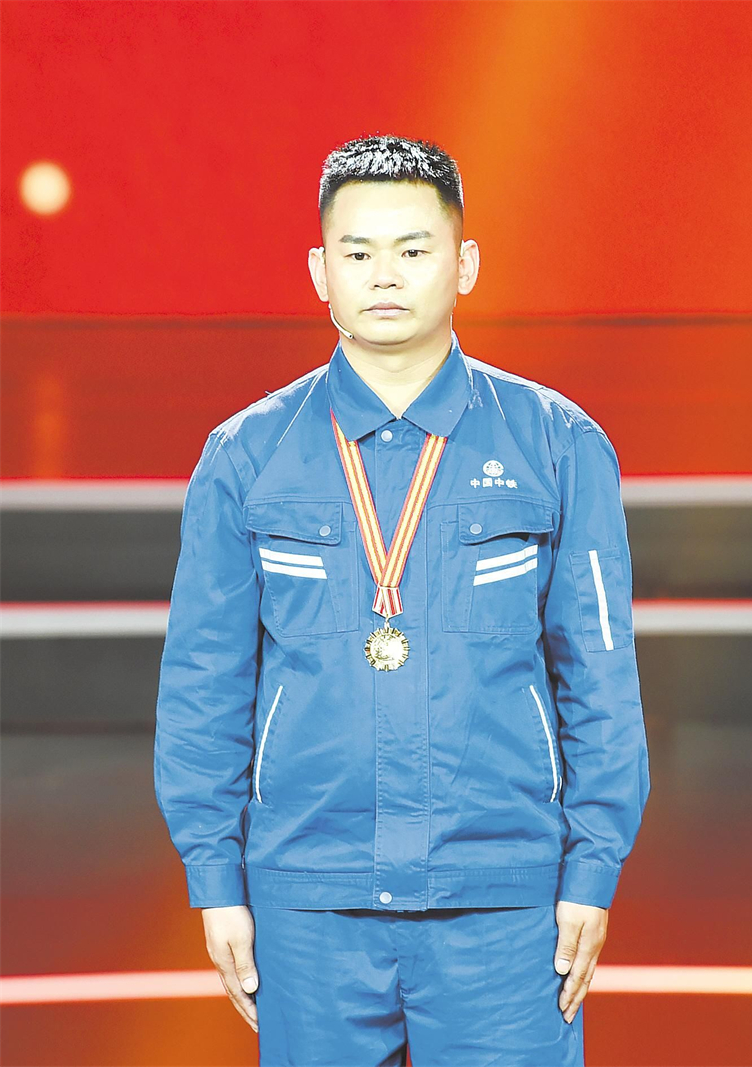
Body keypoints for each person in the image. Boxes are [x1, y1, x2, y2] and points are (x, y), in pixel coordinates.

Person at [153, 133, 651, 1067]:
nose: (385, 275)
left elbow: (601, 679)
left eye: (414, 249)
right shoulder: (246, 455)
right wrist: (215, 877)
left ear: (464, 264)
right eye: (358, 252)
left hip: (505, 899)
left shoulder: (558, 443)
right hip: (309, 896)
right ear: (320, 272)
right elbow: (203, 683)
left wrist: (592, 866)